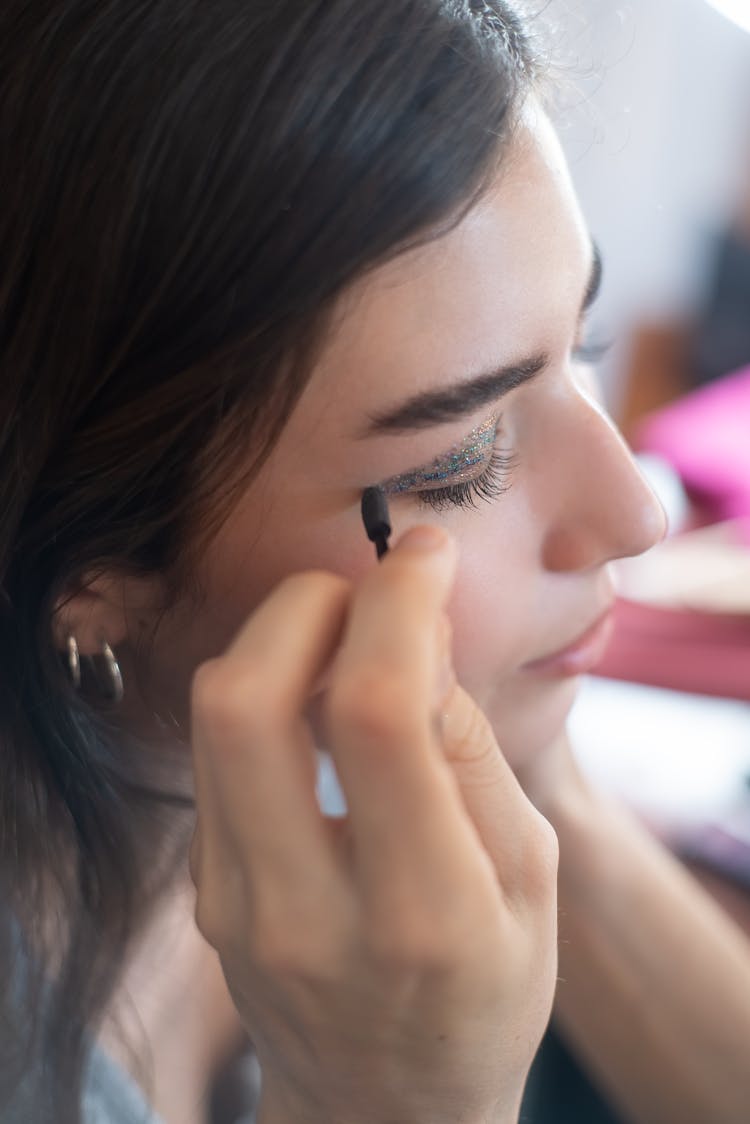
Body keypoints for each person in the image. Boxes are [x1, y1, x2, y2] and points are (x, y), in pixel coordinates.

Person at [1, 2, 749, 1123]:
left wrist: (545, 792)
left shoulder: (344, 757)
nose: (636, 513)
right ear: (95, 576)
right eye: (459, 459)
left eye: (580, 346)